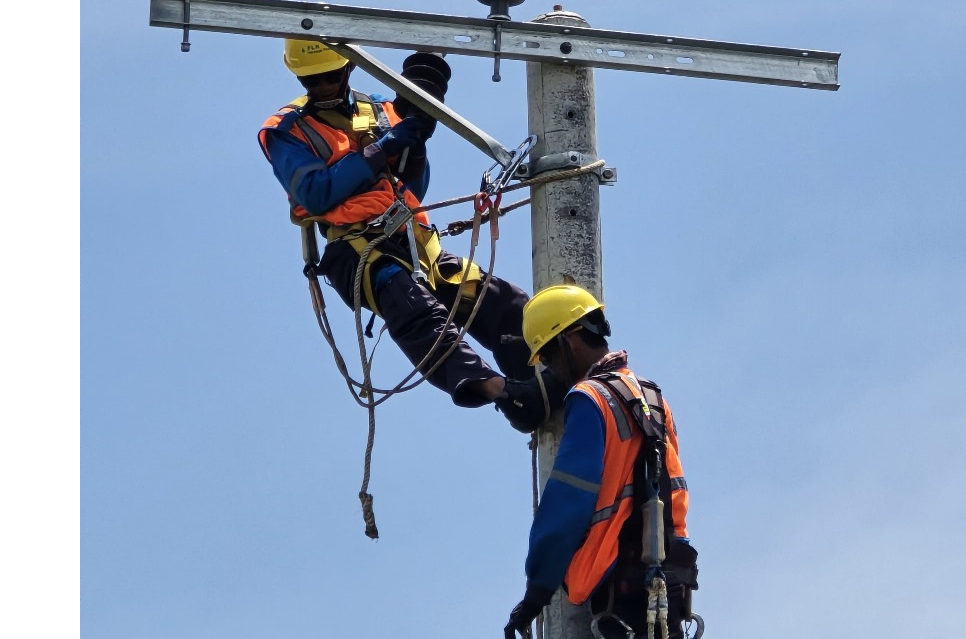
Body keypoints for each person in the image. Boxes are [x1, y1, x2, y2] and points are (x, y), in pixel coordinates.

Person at [258, 39, 555, 426]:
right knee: (413, 307)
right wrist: (384, 147)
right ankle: (497, 390)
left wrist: (413, 148)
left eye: (331, 76)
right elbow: (316, 193)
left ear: (347, 68)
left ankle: (549, 378)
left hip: (415, 240)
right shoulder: (286, 128)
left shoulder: (382, 110)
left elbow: (412, 189)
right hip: (357, 249)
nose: (324, 86)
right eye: (313, 81)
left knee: (500, 302)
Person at [503, 285, 700, 639]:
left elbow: (569, 497)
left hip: (620, 587)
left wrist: (537, 590)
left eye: (548, 355)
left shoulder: (590, 397)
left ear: (572, 339)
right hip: (670, 584)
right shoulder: (653, 396)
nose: (551, 369)